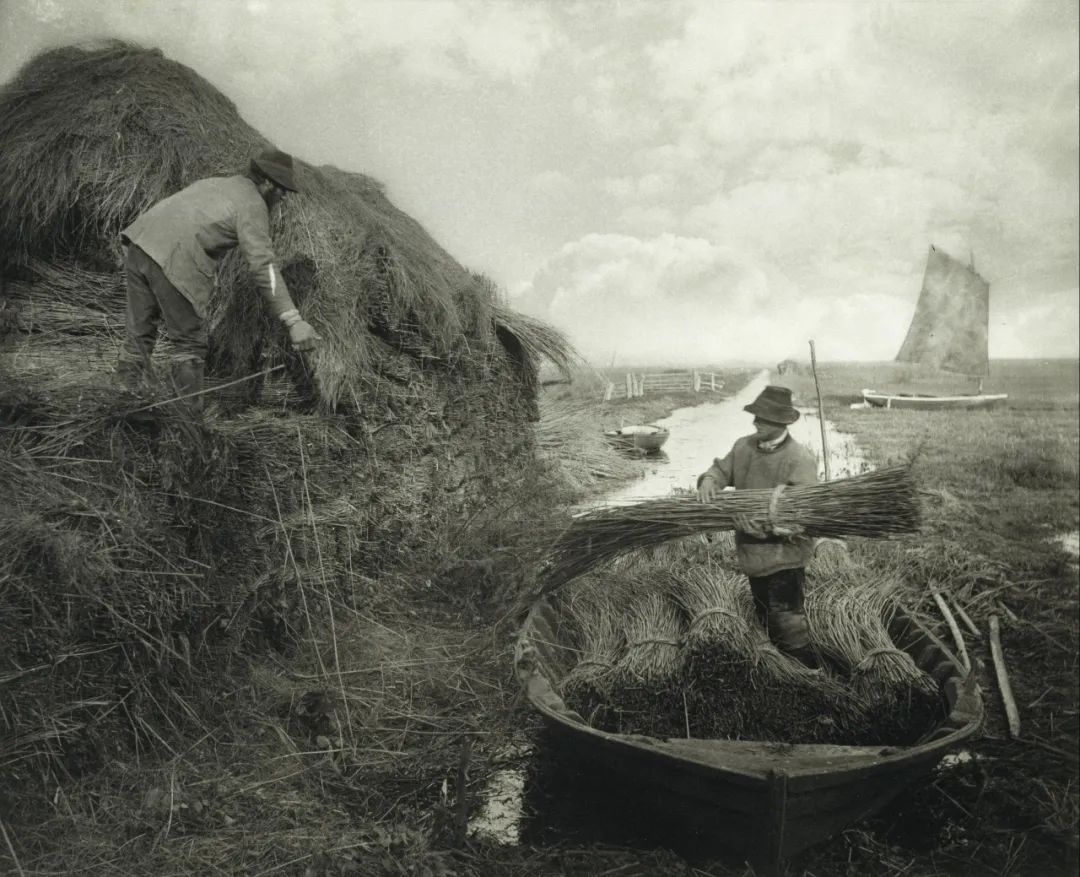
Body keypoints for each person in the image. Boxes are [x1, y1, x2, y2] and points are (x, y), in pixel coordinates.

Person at [114, 148, 321, 405]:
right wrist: (293, 320)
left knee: (138, 335)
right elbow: (263, 264)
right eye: (281, 190)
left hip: (139, 244)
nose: (282, 198)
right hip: (174, 255)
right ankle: (188, 428)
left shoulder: (215, 184)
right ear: (267, 183)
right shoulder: (252, 203)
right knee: (189, 344)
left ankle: (120, 403)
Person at [696, 385, 820, 668]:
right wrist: (709, 480)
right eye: (755, 416)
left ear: (782, 422)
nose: (755, 422)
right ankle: (779, 670)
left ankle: (808, 674)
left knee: (786, 620)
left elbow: (803, 517)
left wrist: (764, 530)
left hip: (784, 557)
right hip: (752, 556)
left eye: (762, 419)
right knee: (764, 614)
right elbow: (720, 469)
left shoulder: (799, 459)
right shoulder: (743, 447)